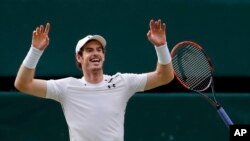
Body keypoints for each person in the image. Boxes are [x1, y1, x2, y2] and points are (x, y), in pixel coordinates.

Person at [14, 19, 174, 141]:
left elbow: (164, 76)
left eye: (99, 50)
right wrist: (35, 51)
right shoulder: (67, 87)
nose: (95, 53)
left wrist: (161, 46)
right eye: (89, 50)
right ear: (79, 57)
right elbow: (23, 84)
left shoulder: (122, 82)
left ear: (104, 56)